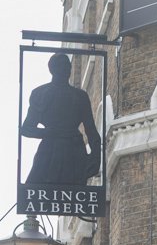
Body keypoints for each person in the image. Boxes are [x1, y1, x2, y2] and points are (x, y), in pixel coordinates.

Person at [21, 52, 102, 186]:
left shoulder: (80, 96)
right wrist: (50, 132)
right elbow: (26, 129)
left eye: (67, 66)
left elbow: (91, 130)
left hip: (74, 150)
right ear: (52, 70)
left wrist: (95, 157)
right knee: (37, 188)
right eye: (61, 67)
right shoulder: (40, 93)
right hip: (50, 149)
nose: (65, 70)